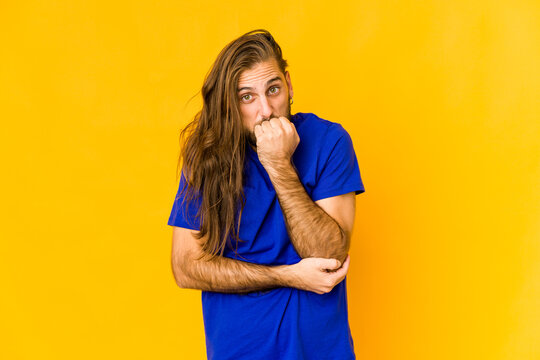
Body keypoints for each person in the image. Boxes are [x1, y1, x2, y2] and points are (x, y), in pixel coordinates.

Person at [168, 29, 365, 360]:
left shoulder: (330, 141)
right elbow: (186, 267)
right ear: (231, 103)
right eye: (248, 97)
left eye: (273, 89)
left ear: (288, 84)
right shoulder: (207, 157)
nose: (266, 110)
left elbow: (328, 253)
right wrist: (288, 276)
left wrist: (278, 165)